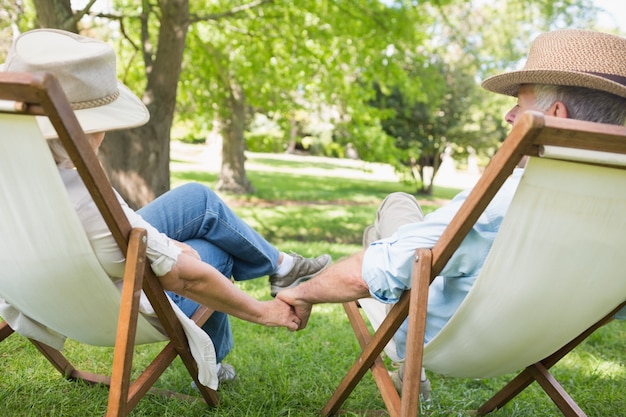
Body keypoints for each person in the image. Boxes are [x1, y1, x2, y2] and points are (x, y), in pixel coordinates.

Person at [277, 28, 626, 394]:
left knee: (393, 216)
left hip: (440, 341)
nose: (509, 115)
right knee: (403, 219)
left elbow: (366, 277)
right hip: (539, 344)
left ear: (556, 116)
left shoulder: (501, 204)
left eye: (520, 104)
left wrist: (300, 294)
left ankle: (410, 367)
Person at [0, 28, 331, 386]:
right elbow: (187, 277)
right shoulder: (86, 200)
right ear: (91, 129)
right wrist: (264, 312)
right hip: (98, 305)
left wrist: (166, 248)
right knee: (211, 254)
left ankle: (281, 265)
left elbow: (112, 240)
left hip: (32, 286)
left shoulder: (17, 172)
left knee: (198, 200)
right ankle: (214, 364)